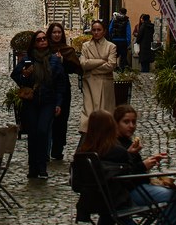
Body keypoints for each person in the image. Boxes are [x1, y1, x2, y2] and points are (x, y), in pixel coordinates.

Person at [113, 104, 176, 225]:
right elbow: (122, 175)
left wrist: (146, 165)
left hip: (137, 188)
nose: (131, 126)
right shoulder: (116, 146)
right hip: (128, 195)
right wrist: (143, 165)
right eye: (126, 122)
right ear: (116, 123)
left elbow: (134, 171)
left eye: (134, 122)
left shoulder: (127, 143)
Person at [11, 29, 68, 180]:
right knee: (33, 134)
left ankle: (42, 166)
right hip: (31, 102)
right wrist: (25, 75)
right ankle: (33, 167)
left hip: (48, 102)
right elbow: (16, 76)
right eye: (39, 39)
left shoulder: (54, 60)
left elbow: (60, 84)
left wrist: (59, 103)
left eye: (44, 39)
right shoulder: (28, 59)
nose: (42, 41)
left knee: (43, 131)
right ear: (34, 43)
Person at [47, 21, 80, 160]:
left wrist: (62, 62)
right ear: (50, 34)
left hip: (63, 87)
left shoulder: (67, 50)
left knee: (61, 119)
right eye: (54, 32)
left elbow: (75, 68)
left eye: (59, 32)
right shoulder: (44, 48)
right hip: (47, 86)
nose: (57, 35)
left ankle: (57, 148)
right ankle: (46, 148)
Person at [79, 20, 117, 131]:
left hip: (105, 84)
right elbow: (83, 64)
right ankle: (88, 135)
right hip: (89, 83)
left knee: (105, 113)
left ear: (104, 31)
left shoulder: (111, 46)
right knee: (89, 112)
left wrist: (92, 68)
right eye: (94, 30)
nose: (96, 32)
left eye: (99, 30)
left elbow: (111, 65)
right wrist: (101, 61)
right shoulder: (86, 46)